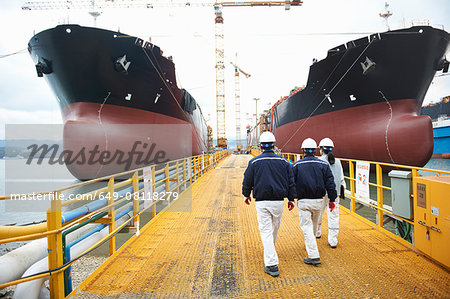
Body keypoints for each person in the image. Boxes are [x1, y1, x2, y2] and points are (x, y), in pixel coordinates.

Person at [242, 131, 296, 277]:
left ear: (260, 146)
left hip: (262, 201)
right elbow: (291, 181)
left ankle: (271, 264)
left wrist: (246, 195)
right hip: (278, 201)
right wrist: (291, 199)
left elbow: (247, 180)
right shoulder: (284, 162)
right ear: (274, 145)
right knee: (274, 229)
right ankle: (270, 255)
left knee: (266, 231)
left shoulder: (254, 162)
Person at [292, 138, 337, 265]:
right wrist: (332, 199)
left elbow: (291, 183)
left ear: (302, 151)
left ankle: (313, 256)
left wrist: (291, 197)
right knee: (312, 227)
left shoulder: (296, 165)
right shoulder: (323, 165)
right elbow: (330, 183)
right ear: (316, 150)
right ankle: (310, 245)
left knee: (306, 227)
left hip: (304, 201)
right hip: (318, 201)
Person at [317, 138, 346, 248]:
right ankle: (333, 241)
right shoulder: (338, 162)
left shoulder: (319, 161)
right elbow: (341, 178)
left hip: (322, 193)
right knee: (333, 216)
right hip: (334, 194)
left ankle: (317, 232)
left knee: (318, 213)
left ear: (321, 149)